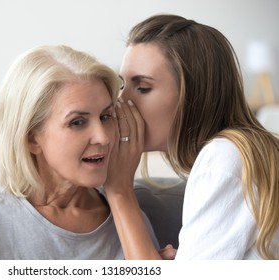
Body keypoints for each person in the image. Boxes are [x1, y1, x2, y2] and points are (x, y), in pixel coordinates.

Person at [0, 45, 160, 259]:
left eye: (105, 116)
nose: (103, 137)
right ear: (32, 138)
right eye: (78, 122)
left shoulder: (129, 218)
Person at [104, 14, 279, 260]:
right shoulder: (243, 150)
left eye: (142, 88)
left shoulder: (223, 158)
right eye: (123, 85)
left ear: (193, 94)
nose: (122, 102)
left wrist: (119, 191)